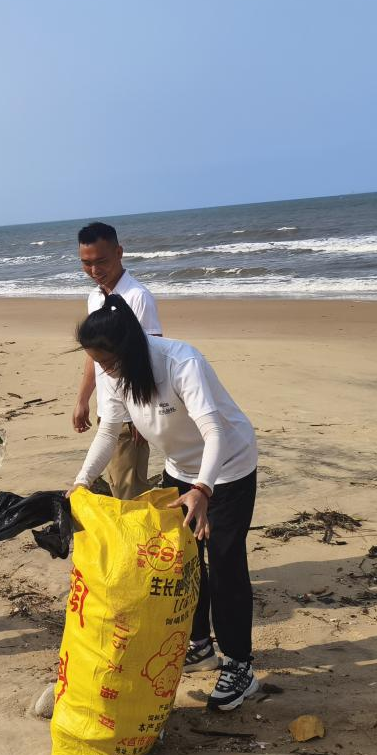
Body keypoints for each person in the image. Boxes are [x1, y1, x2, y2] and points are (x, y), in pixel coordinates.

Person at [67, 295, 260, 710]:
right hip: (180, 469)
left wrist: (203, 490)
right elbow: (109, 431)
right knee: (182, 563)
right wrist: (82, 481)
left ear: (131, 349)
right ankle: (199, 645)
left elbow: (214, 432)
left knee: (225, 564)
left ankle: (240, 665)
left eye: (108, 363)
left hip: (227, 468)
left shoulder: (180, 361)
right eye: (97, 363)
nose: (104, 371)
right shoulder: (112, 370)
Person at [72, 222, 162, 500]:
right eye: (86, 263)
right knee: (116, 484)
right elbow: (94, 353)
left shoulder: (138, 297)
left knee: (128, 492)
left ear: (119, 252)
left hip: (131, 414)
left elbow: (153, 358)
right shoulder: (94, 297)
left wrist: (142, 416)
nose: (94, 270)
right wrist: (83, 399)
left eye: (101, 261)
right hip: (108, 409)